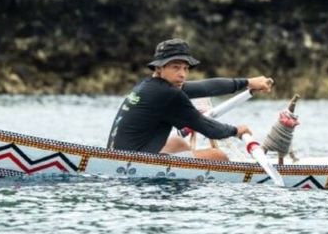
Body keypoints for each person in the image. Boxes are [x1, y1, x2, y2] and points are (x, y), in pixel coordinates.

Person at [106, 38, 276, 160]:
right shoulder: (169, 94)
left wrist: (247, 82)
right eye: (175, 67)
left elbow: (206, 87)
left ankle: (191, 169)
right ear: (159, 68)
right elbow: (208, 128)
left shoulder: (149, 85)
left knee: (177, 143)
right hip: (133, 162)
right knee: (218, 156)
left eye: (186, 68)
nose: (182, 74)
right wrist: (237, 131)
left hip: (120, 154)